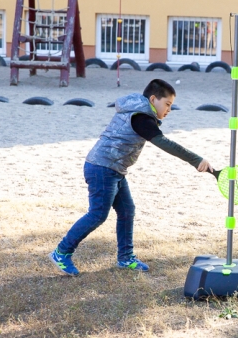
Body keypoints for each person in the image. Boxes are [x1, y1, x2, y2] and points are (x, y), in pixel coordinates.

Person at [49, 79, 213, 275]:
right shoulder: (141, 117)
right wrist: (196, 159)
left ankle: (126, 258)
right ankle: (62, 252)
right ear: (153, 99)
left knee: (127, 210)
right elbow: (163, 142)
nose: (169, 109)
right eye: (167, 104)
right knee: (98, 214)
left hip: (113, 168)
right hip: (103, 167)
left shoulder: (139, 111)